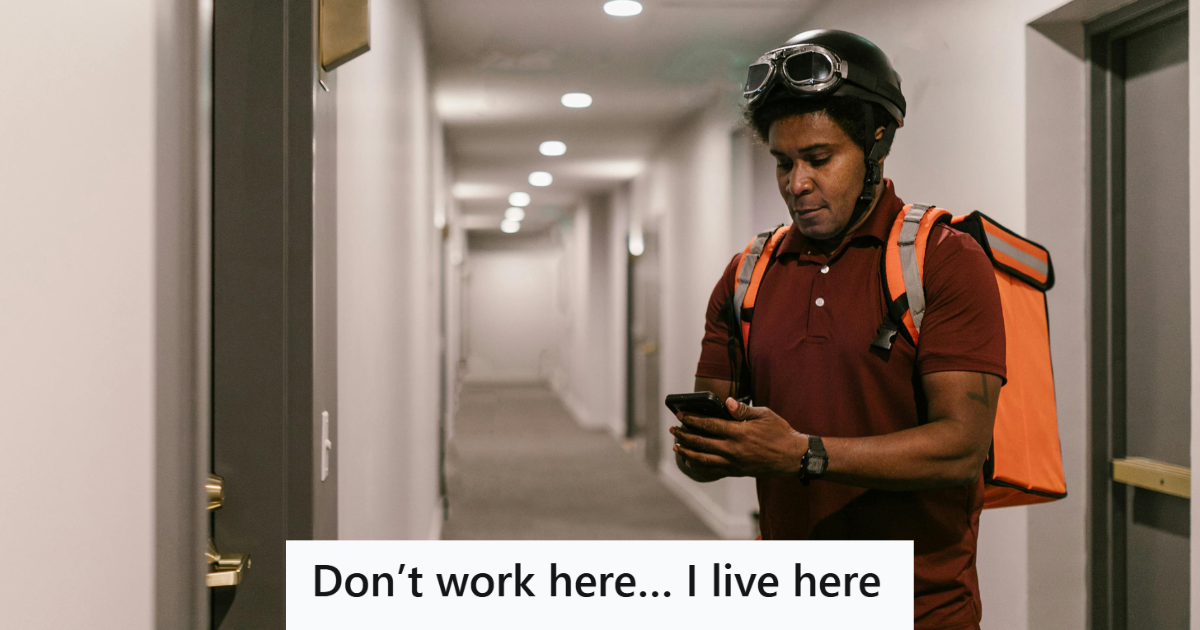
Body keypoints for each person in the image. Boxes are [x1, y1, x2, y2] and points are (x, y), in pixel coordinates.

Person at [669, 29, 1006, 630]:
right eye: (782, 162)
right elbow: (708, 443)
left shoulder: (944, 260)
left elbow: (961, 447)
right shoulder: (748, 273)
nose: (796, 184)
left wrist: (803, 455)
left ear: (877, 143)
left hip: (919, 605)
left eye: (819, 159)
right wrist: (710, 450)